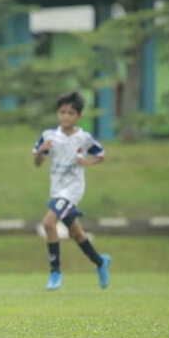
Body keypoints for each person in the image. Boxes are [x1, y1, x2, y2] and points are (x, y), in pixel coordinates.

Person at [32, 91, 111, 291]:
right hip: (56, 188)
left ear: (78, 116)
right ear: (58, 114)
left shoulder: (83, 138)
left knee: (48, 223)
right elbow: (37, 163)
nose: (65, 116)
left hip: (74, 188)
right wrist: (41, 151)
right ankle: (100, 262)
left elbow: (101, 155)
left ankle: (55, 271)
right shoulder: (49, 136)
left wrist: (87, 162)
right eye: (62, 112)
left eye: (70, 113)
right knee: (76, 233)